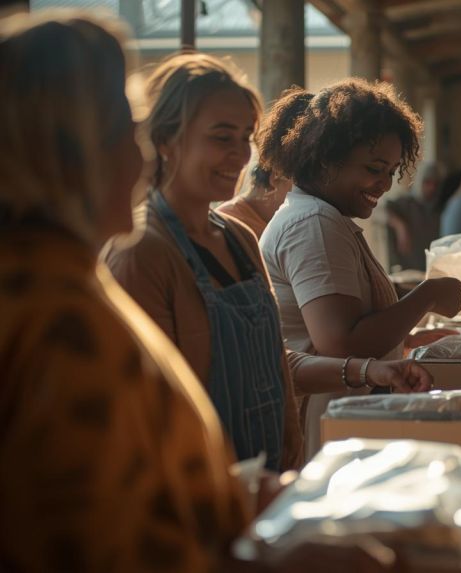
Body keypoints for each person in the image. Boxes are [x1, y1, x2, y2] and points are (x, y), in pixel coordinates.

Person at [0, 13, 388, 572]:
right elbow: (106, 539)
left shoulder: (77, 283)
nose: (136, 159)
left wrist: (253, 499)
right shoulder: (57, 317)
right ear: (56, 151)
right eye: (119, 132)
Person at [106, 55, 431, 471]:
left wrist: (371, 372)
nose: (241, 155)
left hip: (268, 474)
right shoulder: (141, 252)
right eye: (222, 138)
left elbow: (273, 362)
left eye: (245, 138)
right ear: (165, 140)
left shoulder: (239, 240)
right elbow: (143, 411)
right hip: (205, 486)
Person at [259, 80, 461, 458]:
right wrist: (428, 294)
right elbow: (341, 343)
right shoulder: (314, 225)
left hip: (342, 419)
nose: (384, 184)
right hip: (326, 427)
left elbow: (355, 311)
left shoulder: (324, 218)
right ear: (325, 159)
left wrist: (407, 330)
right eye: (374, 168)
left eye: (391, 171)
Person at [216, 88, 311, 239]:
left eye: (246, 138)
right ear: (277, 175)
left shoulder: (291, 228)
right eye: (223, 137)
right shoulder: (229, 227)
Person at [385, 160, 445, 271]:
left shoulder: (441, 209)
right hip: (405, 273)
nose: (432, 188)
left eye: (436, 184)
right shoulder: (405, 203)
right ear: (419, 181)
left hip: (430, 271)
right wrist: (400, 227)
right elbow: (379, 210)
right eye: (427, 182)